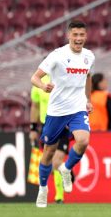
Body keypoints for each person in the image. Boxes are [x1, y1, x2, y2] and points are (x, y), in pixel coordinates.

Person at [31, 20, 95, 208]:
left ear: (86, 36)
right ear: (68, 35)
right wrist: (43, 85)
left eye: (81, 35)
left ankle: (66, 169)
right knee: (49, 152)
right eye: (75, 35)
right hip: (56, 112)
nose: (78, 39)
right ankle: (43, 189)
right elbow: (34, 77)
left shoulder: (89, 56)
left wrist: (88, 100)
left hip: (77, 109)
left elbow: (88, 77)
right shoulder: (57, 55)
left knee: (83, 140)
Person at [30, 74, 72, 204]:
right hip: (46, 125)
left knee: (56, 160)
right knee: (48, 160)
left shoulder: (64, 79)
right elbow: (35, 106)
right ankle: (66, 172)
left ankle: (59, 196)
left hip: (63, 125)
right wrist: (33, 128)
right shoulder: (38, 83)